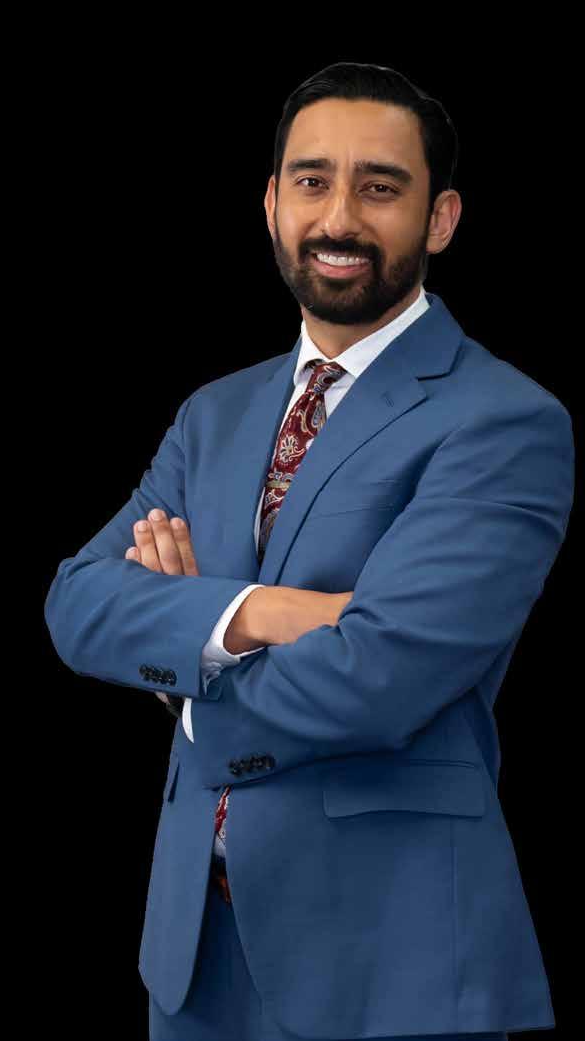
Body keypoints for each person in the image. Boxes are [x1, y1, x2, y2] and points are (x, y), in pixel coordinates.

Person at [44, 62, 573, 1040]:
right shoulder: (215, 412)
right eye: (311, 181)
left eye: (379, 187)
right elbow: (77, 602)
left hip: (389, 961)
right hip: (195, 959)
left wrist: (185, 676)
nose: (338, 216)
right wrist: (265, 613)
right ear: (270, 203)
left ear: (440, 218)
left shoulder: (501, 419)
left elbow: (383, 673)